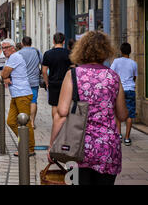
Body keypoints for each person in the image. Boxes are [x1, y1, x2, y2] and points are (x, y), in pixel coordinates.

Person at [48, 31, 128, 185]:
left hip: (78, 148)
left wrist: (53, 145)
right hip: (108, 148)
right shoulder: (113, 77)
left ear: (81, 49)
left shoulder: (73, 75)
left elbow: (62, 113)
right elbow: (123, 115)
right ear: (106, 51)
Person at [0, 38, 35, 157]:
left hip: (22, 94)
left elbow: (4, 73)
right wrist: (4, 77)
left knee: (25, 122)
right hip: (16, 94)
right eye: (2, 48)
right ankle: (24, 143)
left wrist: (5, 76)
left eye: (5, 48)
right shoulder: (10, 58)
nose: (3, 50)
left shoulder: (15, 57)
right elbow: (3, 74)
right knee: (11, 121)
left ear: (12, 47)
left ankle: (29, 148)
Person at [110, 42, 137, 146]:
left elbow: (112, 75)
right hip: (130, 89)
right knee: (130, 114)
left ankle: (119, 134)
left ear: (120, 51)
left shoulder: (116, 62)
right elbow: (134, 77)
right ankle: (127, 138)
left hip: (119, 90)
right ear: (130, 51)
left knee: (117, 112)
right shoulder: (133, 63)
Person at [42, 32, 72, 119]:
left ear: (53, 41)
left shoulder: (48, 54)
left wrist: (46, 82)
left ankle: (56, 123)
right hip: (66, 83)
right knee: (66, 104)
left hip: (53, 82)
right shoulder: (69, 53)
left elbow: (44, 70)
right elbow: (74, 67)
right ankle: (64, 123)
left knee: (54, 105)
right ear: (63, 42)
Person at [18, 36, 43, 129]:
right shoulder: (36, 52)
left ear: (22, 43)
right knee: (33, 101)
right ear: (31, 43)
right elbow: (43, 63)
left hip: (22, 81)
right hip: (34, 81)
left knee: (23, 101)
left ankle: (23, 120)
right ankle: (32, 122)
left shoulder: (19, 53)